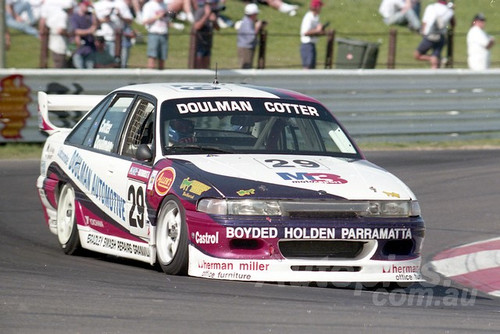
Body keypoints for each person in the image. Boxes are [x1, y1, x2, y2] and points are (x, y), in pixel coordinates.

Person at [414, 0, 454, 69]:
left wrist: (423, 32)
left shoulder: (430, 7)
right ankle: (438, 61)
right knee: (435, 58)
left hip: (429, 36)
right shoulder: (450, 11)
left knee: (417, 55)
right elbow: (453, 24)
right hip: (441, 37)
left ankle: (433, 59)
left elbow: (424, 22)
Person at [40, 0, 74, 68]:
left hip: (58, 43)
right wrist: (68, 34)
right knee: (59, 63)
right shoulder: (63, 16)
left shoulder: (60, 14)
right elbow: (60, 30)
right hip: (59, 45)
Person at [141, 0, 169, 69]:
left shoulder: (165, 5)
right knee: (152, 57)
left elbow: (167, 19)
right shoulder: (148, 5)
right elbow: (144, 21)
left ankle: (161, 77)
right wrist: (158, 16)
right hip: (154, 33)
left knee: (163, 58)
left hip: (164, 33)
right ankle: (150, 78)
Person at [70, 0, 98, 68]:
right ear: (80, 5)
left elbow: (95, 25)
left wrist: (93, 10)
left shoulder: (90, 15)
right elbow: (75, 31)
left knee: (90, 70)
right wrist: (89, 31)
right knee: (79, 70)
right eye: (86, 5)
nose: (87, 7)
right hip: (78, 48)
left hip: (89, 48)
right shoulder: (74, 17)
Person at [193, 0, 220, 69]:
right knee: (198, 67)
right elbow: (196, 27)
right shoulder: (200, 11)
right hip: (199, 43)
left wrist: (214, 21)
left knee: (206, 67)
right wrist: (206, 16)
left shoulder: (214, 12)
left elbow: (218, 28)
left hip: (208, 43)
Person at [237, 3, 264, 69]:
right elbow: (250, 38)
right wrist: (257, 28)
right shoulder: (247, 23)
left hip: (247, 47)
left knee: (248, 67)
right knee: (246, 67)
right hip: (246, 48)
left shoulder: (248, 21)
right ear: (253, 14)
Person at [299, 0, 325, 70]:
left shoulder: (315, 17)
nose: (321, 9)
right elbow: (305, 32)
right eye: (320, 7)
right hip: (307, 45)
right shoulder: (309, 17)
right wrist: (318, 30)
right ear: (316, 7)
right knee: (308, 67)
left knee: (312, 67)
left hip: (311, 45)